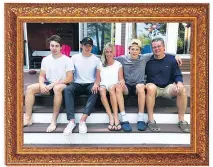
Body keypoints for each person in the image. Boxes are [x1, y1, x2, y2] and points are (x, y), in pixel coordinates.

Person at [115, 39, 182, 132]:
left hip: (138, 87)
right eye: (132, 49)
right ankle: (123, 118)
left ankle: (140, 118)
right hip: (127, 86)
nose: (134, 51)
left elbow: (161, 51)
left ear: (140, 51)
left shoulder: (144, 57)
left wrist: (176, 55)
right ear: (128, 49)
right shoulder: (122, 58)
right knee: (118, 87)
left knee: (141, 86)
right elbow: (108, 57)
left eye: (137, 49)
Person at [24, 35, 74, 133]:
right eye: (52, 46)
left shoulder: (67, 60)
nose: (54, 48)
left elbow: (69, 78)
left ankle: (53, 121)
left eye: (56, 46)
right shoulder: (46, 59)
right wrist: (42, 84)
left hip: (62, 84)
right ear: (49, 46)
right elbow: (42, 75)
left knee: (57, 88)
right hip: (48, 83)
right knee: (30, 88)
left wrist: (54, 84)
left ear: (61, 47)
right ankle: (28, 118)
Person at [145, 37, 190, 133]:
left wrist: (179, 82)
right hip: (154, 88)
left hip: (167, 88)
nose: (157, 49)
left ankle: (181, 120)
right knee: (151, 87)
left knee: (182, 89)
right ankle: (150, 120)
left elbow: (177, 74)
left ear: (164, 47)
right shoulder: (147, 61)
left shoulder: (172, 60)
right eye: (154, 47)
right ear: (152, 49)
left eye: (159, 46)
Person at [63, 37, 100, 135]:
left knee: (95, 90)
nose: (87, 48)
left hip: (90, 84)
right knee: (67, 90)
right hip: (77, 83)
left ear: (92, 47)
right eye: (85, 45)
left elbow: (98, 76)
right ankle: (71, 121)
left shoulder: (96, 59)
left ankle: (83, 120)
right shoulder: (74, 58)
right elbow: (69, 73)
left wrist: (96, 84)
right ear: (81, 45)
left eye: (90, 46)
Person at [96, 43, 125, 131]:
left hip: (114, 85)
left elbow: (121, 78)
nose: (108, 54)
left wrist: (122, 81)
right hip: (104, 84)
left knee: (112, 89)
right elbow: (98, 80)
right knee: (101, 89)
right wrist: (95, 84)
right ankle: (110, 116)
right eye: (107, 52)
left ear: (114, 53)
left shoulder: (118, 64)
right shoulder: (100, 64)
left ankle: (116, 116)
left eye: (110, 52)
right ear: (104, 53)